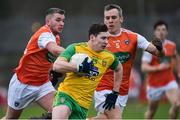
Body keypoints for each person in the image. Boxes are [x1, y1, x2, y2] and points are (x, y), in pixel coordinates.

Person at [94, 4, 164, 119]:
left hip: (123, 91)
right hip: (103, 89)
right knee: (116, 118)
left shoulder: (133, 37)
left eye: (113, 17)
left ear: (121, 19)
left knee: (104, 118)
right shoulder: (98, 39)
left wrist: (160, 48)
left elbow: (158, 53)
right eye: (107, 18)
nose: (110, 21)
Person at [3, 8, 65, 119]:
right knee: (10, 118)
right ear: (48, 22)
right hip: (23, 85)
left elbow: (46, 60)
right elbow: (55, 50)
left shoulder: (56, 37)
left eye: (63, 21)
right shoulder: (44, 34)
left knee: (61, 112)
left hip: (42, 85)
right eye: (58, 20)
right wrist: (75, 53)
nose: (61, 23)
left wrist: (52, 71)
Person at [52, 23, 123, 119]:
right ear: (92, 37)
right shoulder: (75, 48)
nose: (106, 42)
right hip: (66, 95)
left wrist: (115, 92)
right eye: (103, 38)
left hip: (83, 105)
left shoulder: (109, 57)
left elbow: (119, 68)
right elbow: (56, 65)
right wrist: (78, 67)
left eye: (107, 39)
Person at [141, 20, 180, 119]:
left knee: (177, 104)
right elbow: (143, 67)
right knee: (151, 112)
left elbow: (175, 56)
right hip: (154, 84)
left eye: (163, 29)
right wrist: (159, 67)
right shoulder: (150, 47)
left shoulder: (171, 45)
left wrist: (178, 71)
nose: (161, 32)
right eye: (158, 30)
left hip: (169, 81)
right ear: (155, 32)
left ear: (167, 32)